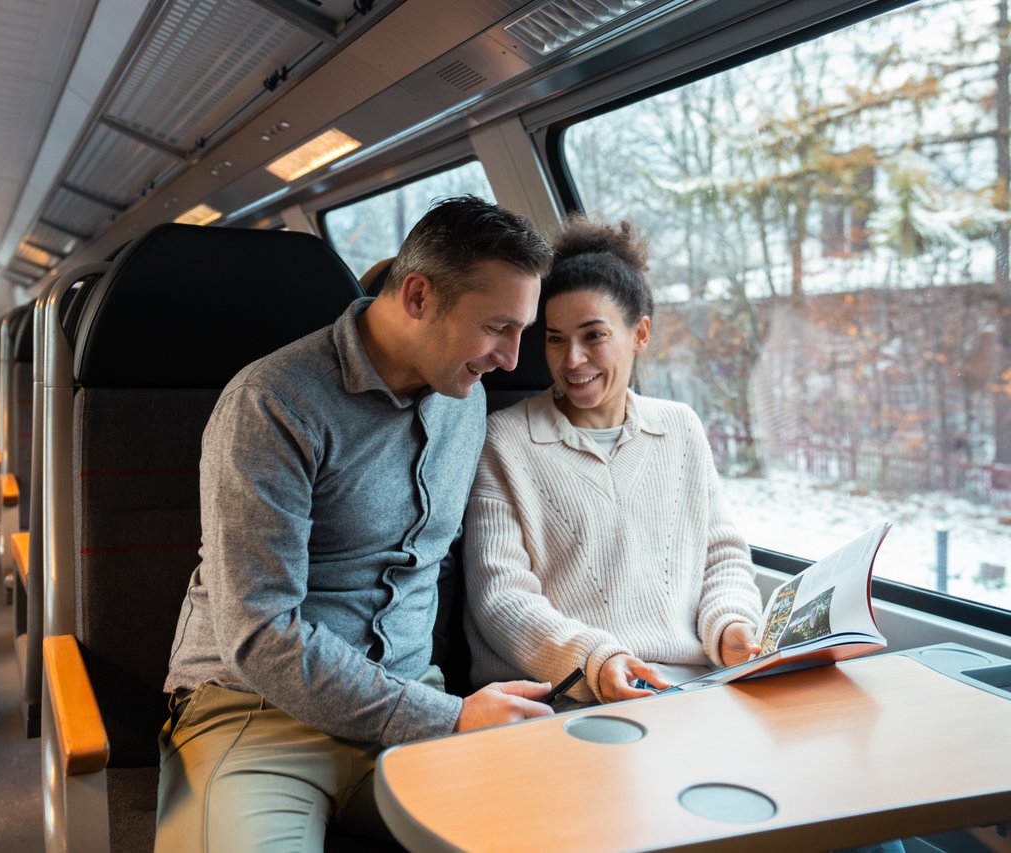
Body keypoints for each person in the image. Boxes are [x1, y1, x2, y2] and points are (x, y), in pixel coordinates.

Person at [154, 195, 556, 851]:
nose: (512, 358)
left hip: (410, 705)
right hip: (254, 711)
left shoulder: (467, 397)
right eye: (497, 327)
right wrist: (449, 715)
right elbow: (259, 633)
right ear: (419, 296)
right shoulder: (272, 402)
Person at [462, 214, 763, 706]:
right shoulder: (505, 440)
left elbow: (722, 556)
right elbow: (501, 596)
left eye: (593, 336)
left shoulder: (680, 427)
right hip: (570, 694)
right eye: (556, 338)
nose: (572, 359)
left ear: (640, 334)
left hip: (692, 686)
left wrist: (730, 624)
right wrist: (597, 662)